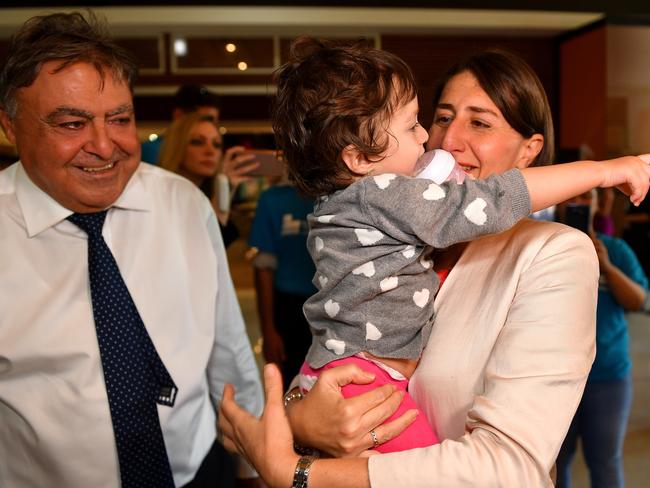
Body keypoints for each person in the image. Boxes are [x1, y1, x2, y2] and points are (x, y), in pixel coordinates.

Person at [219, 46, 650, 486]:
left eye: (479, 123)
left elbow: (510, 468)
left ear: (529, 150)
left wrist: (298, 473)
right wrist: (300, 415)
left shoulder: (554, 254)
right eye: (441, 118)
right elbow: (337, 350)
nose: (444, 140)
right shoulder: (400, 223)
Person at [0, 11, 264, 488]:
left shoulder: (183, 204)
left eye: (120, 119)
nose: (105, 146)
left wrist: (253, 463)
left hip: (200, 472)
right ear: (11, 128)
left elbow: (227, 349)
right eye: (72, 124)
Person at [555, 190, 648, 488]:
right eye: (571, 198)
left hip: (607, 376)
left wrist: (606, 267)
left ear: (596, 204)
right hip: (554, 377)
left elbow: (639, 300)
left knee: (606, 462)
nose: (577, 204)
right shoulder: (545, 250)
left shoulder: (615, 249)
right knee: (554, 465)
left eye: (585, 198)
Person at [248, 178, 316, 390]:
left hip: (332, 305)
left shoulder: (342, 193)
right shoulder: (273, 199)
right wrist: (268, 330)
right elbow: (263, 268)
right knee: (290, 388)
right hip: (288, 309)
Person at [159, 112, 259, 247]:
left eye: (217, 144)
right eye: (198, 142)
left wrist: (224, 189)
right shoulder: (161, 198)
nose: (210, 151)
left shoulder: (207, 195)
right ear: (177, 146)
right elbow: (199, 249)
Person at [141, 83, 220, 165]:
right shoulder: (153, 150)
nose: (211, 151)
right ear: (179, 115)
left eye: (217, 144)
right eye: (205, 119)